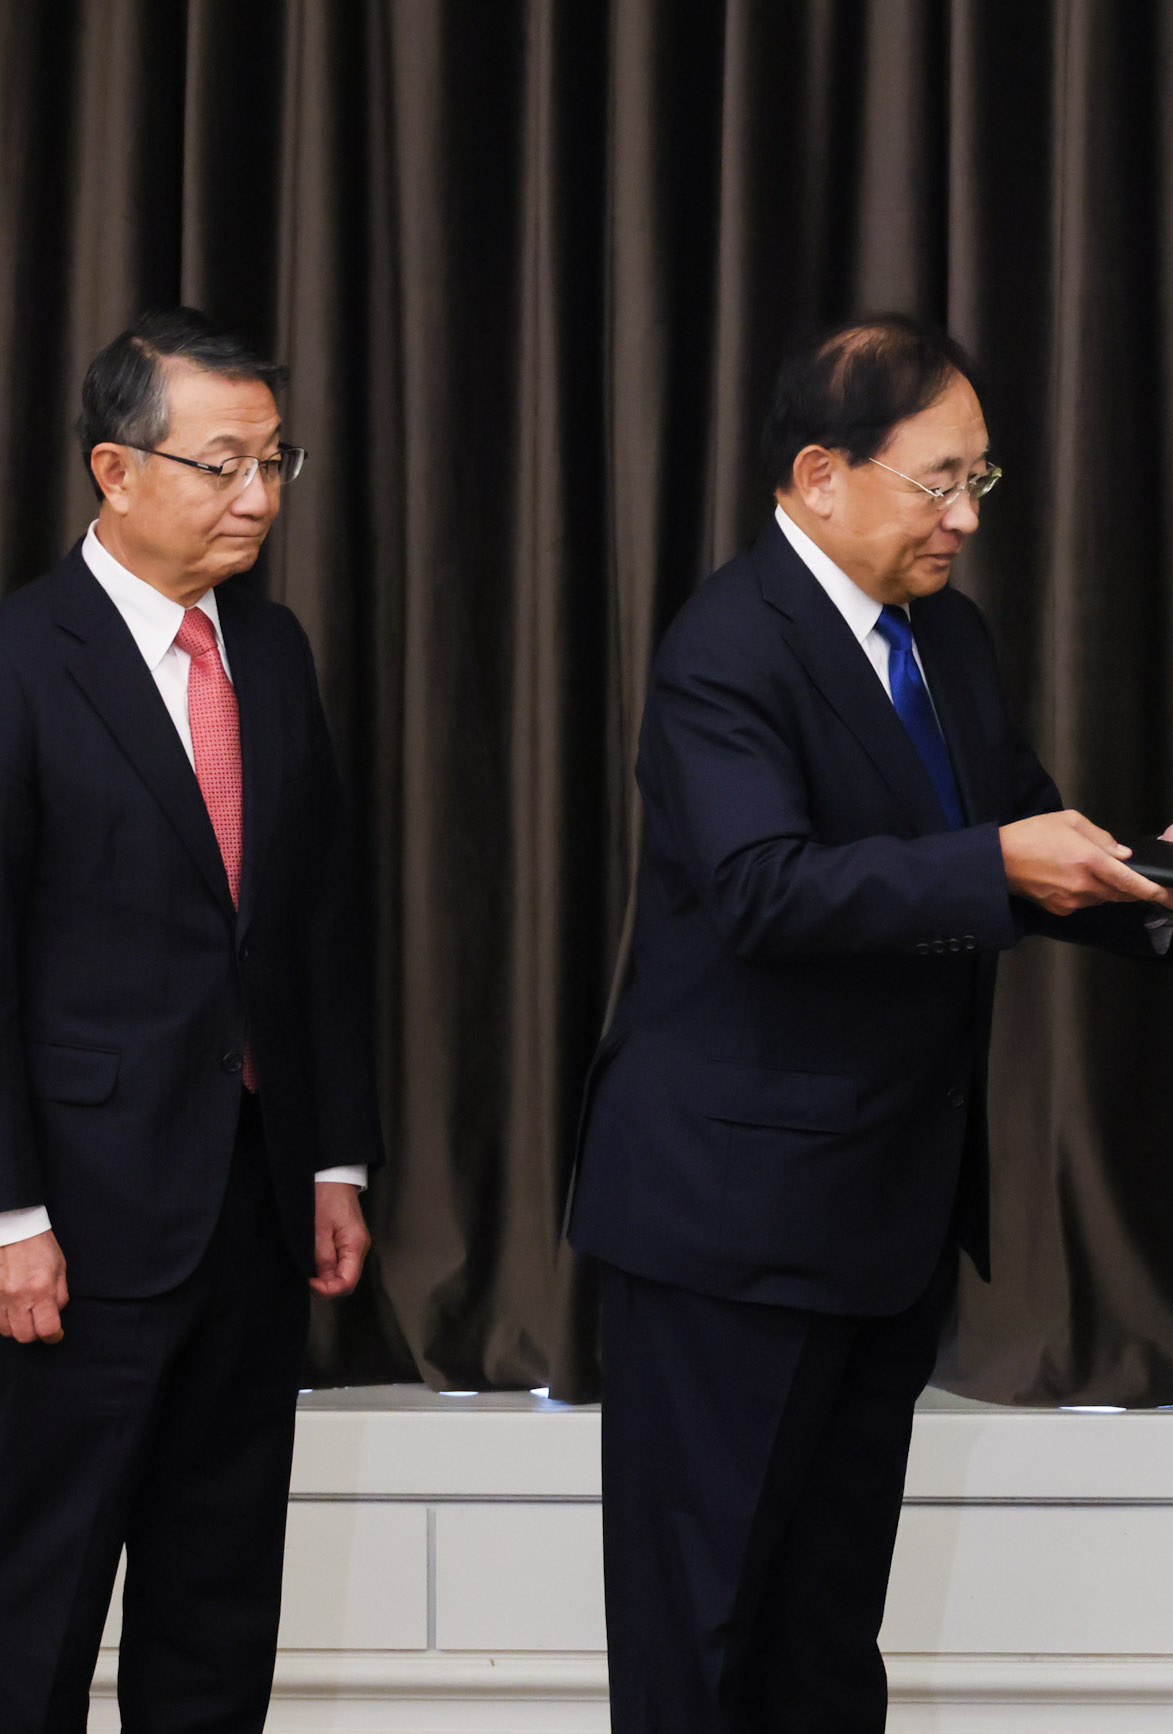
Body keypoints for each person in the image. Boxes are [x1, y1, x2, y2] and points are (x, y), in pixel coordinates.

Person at [567, 313, 1173, 1733]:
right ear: (822, 473)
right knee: (701, 1633)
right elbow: (763, 889)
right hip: (727, 1228)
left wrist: (1157, 881)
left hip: (879, 1218)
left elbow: (1015, 828)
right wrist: (1002, 861)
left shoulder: (948, 638)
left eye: (980, 483)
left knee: (825, 1636)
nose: (964, 517)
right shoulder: (726, 647)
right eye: (939, 480)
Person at [0, 309, 381, 1729]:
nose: (260, 497)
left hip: (252, 1206)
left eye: (276, 460)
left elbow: (315, 921)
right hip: (72, 1235)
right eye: (222, 464)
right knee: (33, 1610)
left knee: (217, 1610)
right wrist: (8, 1214)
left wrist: (336, 1153)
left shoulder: (271, 651)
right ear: (114, 467)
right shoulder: (24, 659)